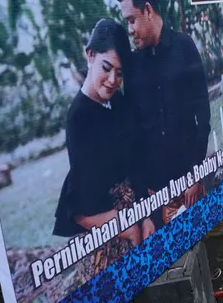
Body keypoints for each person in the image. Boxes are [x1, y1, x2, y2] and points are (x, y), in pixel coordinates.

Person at [54, 19, 154, 277]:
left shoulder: (118, 101)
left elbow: (137, 160)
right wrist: (127, 227)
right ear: (90, 55)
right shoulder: (79, 117)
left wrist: (146, 215)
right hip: (107, 228)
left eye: (119, 73)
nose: (112, 80)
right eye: (106, 68)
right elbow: (82, 209)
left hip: (137, 212)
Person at [116, 0, 211, 228]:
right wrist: (144, 188)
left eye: (131, 20)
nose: (131, 30)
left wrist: (195, 175)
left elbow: (202, 115)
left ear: (148, 10)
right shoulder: (133, 65)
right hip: (154, 194)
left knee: (198, 242)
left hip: (190, 186)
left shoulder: (184, 48)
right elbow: (133, 131)